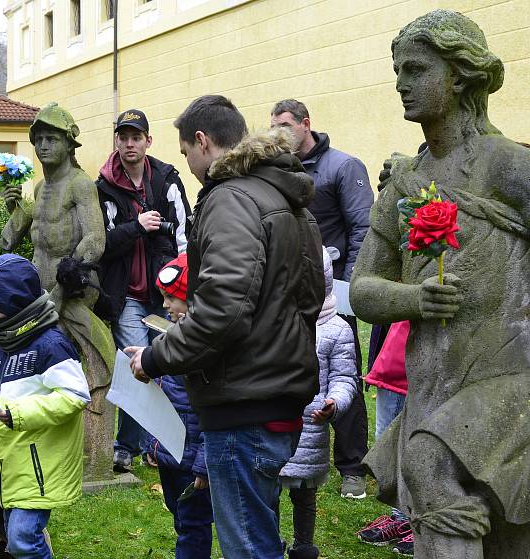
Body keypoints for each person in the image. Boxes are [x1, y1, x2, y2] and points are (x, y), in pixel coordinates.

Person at [350, 9, 530, 558]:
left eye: (417, 70)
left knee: (429, 466)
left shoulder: (506, 166)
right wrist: (412, 298)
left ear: (460, 75)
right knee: (504, 532)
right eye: (399, 71)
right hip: (436, 380)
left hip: (509, 374)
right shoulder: (406, 180)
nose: (402, 84)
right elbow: (362, 288)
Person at [127, 95, 325, 559]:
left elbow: (223, 310)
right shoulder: (282, 193)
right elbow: (311, 295)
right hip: (276, 391)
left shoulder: (230, 198)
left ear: (202, 142)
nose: (189, 166)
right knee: (261, 536)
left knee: (249, 549)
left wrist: (155, 357)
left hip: (244, 402)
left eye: (185, 153)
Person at [0, 254, 91, 559]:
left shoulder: (51, 344)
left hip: (39, 466)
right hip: (10, 466)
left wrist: (18, 414)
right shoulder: (2, 346)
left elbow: (75, 396)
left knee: (24, 539)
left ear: (13, 305)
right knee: (15, 541)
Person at [0, 102, 114, 481]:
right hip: (41, 296)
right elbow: (27, 238)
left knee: (99, 361)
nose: (44, 146)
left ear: (69, 144)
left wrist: (66, 284)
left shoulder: (81, 185)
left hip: (74, 292)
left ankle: (96, 458)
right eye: (39, 139)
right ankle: (52, 456)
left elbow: (96, 239)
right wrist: (15, 214)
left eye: (52, 139)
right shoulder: (41, 187)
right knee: (42, 374)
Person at [271, 99, 374, 499]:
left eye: (284, 125)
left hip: (335, 298)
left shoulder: (344, 167)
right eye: (273, 126)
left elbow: (363, 229)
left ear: (305, 124)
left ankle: (352, 467)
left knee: (342, 376)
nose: (278, 132)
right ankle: (293, 459)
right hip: (289, 300)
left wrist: (346, 293)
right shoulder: (280, 172)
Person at [93, 108, 191, 471]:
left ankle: (166, 442)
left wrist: (182, 288)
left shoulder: (166, 179)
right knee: (139, 362)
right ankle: (127, 446)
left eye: (137, 137)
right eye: (124, 136)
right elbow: (100, 243)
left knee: (174, 361)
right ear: (116, 141)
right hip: (128, 296)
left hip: (166, 293)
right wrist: (137, 226)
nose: (130, 143)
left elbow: (184, 235)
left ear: (149, 141)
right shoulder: (102, 186)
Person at [279, 247, 357, 559]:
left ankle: (303, 545)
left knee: (304, 493)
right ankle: (268, 541)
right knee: (266, 487)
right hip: (272, 418)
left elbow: (345, 377)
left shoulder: (336, 328)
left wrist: (334, 402)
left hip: (310, 424)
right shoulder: (274, 321)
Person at [143, 253, 213, 559]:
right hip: (171, 454)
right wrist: (153, 445)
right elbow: (163, 397)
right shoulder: (169, 339)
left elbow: (212, 412)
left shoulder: (203, 349)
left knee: (193, 524)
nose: (165, 306)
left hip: (193, 459)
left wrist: (204, 465)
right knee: (180, 516)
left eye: (172, 298)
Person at [356, 320, 413, 556]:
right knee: (386, 443)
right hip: (393, 363)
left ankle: (417, 521)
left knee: (415, 448)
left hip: (426, 368)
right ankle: (400, 518)